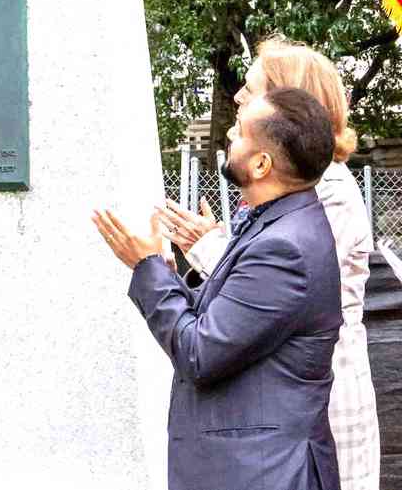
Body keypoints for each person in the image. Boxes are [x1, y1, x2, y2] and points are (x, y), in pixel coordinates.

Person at [93, 86, 342, 490]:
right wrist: (170, 274)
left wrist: (146, 268)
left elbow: (200, 353)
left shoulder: (284, 248)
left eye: (240, 131)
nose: (229, 135)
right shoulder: (277, 222)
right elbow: (233, 323)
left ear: (261, 164)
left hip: (264, 473)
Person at [158, 38, 380, 490]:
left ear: (291, 101)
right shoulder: (286, 190)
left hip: (319, 406)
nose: (239, 98)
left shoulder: (329, 191)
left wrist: (207, 244)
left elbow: (287, 284)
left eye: (253, 89)